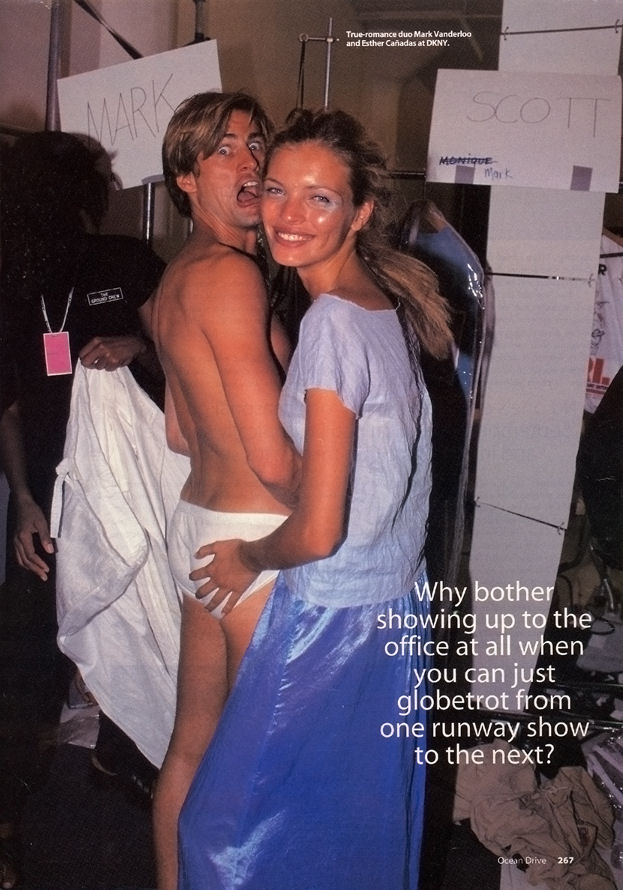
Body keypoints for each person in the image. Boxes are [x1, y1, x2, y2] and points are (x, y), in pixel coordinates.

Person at [180, 108, 453, 889]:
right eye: (276, 190)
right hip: (390, 608)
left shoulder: (332, 323)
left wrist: (247, 557)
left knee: (221, 836)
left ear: (359, 212)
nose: (288, 214)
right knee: (344, 826)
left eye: (318, 198)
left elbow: (319, 529)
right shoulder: (376, 305)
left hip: (331, 621)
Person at [0, 130, 165, 889]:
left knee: (142, 624)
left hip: (127, 487)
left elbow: (184, 348)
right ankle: (11, 817)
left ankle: (124, 759)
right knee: (28, 650)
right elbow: (7, 406)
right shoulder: (11, 281)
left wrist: (136, 343)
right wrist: (24, 502)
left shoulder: (125, 261)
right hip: (47, 488)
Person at [149, 92, 301, 890]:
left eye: (255, 143)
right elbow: (273, 457)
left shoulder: (179, 277)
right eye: (222, 150)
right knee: (265, 767)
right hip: (253, 538)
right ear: (185, 178)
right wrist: (346, 501)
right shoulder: (231, 277)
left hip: (203, 522)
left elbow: (181, 433)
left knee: (193, 746)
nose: (248, 162)